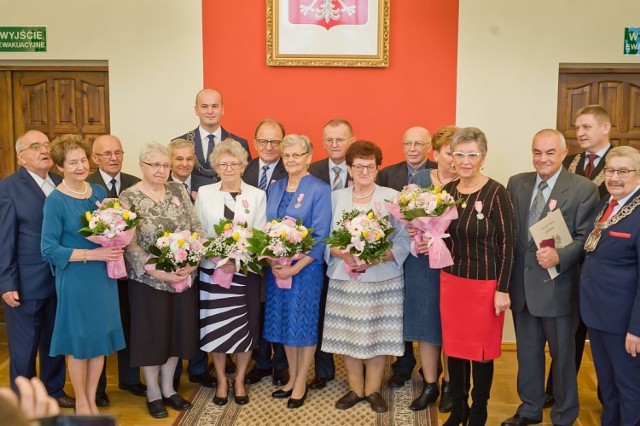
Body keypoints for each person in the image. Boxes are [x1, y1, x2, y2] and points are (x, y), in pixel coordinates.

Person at [502, 129, 598, 426]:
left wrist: (561, 255)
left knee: (564, 358)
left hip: (559, 288)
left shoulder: (583, 189)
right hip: (522, 288)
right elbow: (510, 235)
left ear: (563, 153)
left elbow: (587, 238)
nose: (542, 159)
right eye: (537, 152)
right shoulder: (517, 183)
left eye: (549, 152)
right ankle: (529, 408)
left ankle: (564, 414)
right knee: (527, 355)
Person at [322, 140, 410, 414]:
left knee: (377, 336)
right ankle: (355, 388)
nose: (363, 171)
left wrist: (375, 258)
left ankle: (373, 390)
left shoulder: (392, 196)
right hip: (345, 278)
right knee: (349, 336)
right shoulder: (337, 197)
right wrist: (342, 253)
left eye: (369, 166)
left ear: (377, 168)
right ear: (349, 168)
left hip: (382, 278)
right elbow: (326, 239)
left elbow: (404, 239)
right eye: (357, 166)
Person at [41, 134, 125, 415]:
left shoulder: (99, 192)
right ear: (60, 167)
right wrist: (93, 255)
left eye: (82, 160)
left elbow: (111, 230)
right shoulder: (55, 200)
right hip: (76, 279)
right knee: (79, 344)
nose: (80, 167)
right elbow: (49, 249)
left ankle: (91, 400)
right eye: (72, 162)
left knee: (98, 341)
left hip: (103, 278)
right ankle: (81, 404)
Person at [119, 143, 203, 419]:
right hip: (148, 282)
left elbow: (196, 229)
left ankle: (169, 388)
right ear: (141, 166)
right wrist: (157, 270)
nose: (161, 170)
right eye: (155, 165)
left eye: (165, 165)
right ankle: (153, 391)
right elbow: (128, 244)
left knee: (176, 334)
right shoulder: (129, 197)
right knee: (152, 337)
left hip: (182, 279)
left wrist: (192, 263)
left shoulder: (178, 190)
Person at [440, 127, 515, 426]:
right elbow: (443, 236)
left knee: (481, 353)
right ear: (452, 158)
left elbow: (509, 242)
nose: (466, 161)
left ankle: (479, 409)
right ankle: (459, 408)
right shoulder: (447, 192)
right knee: (455, 349)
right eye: (460, 154)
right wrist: (426, 240)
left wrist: (503, 288)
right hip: (452, 281)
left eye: (472, 154)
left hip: (486, 285)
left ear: (483, 157)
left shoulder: (497, 192)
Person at [0, 130, 74, 409]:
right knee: (25, 347)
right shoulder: (8, 188)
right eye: (35, 146)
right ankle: (23, 401)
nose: (44, 149)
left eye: (47, 145)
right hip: (26, 283)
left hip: (62, 278)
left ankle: (54, 390)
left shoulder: (61, 182)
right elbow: (4, 239)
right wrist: (7, 283)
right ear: (21, 157)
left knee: (56, 341)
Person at [545, 104, 613, 407]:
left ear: (605, 128)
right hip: (565, 260)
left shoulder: (622, 164)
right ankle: (557, 391)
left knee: (603, 334)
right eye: (577, 127)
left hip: (601, 263)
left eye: (586, 127)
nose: (579, 133)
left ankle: (609, 395)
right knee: (566, 332)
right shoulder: (568, 161)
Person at [194, 138, 267, 406]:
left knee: (245, 327)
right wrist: (216, 259)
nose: (228, 168)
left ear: (243, 165)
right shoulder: (205, 193)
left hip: (244, 271)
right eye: (223, 163)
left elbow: (259, 234)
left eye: (234, 163)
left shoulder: (257, 195)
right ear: (215, 166)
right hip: (212, 272)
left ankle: (239, 379)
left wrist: (236, 260)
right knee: (217, 327)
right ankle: (223, 378)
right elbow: (198, 232)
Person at [264, 134, 331, 409]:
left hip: (305, 271)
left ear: (308, 157)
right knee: (284, 325)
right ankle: (292, 377)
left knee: (302, 327)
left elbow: (321, 234)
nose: (291, 160)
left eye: (297, 155)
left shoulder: (319, 188)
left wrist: (295, 267)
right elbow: (264, 230)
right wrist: (274, 263)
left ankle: (302, 380)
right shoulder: (276, 186)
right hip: (277, 270)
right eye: (287, 155)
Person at [581, 146, 640, 426]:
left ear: (638, 175)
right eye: (610, 171)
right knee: (608, 387)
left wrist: (636, 329)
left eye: (623, 171)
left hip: (624, 323)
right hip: (597, 315)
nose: (615, 177)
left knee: (630, 389)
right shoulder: (606, 202)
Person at [376, 126, 437, 389]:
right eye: (407, 143)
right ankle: (402, 366)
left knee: (426, 311)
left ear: (429, 146)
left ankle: (431, 370)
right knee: (398, 309)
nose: (412, 149)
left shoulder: (438, 173)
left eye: (418, 144)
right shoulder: (389, 173)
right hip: (395, 253)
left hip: (426, 256)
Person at [87, 134, 145, 405]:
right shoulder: (86, 186)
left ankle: (130, 379)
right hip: (96, 271)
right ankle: (97, 388)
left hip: (129, 271)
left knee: (129, 322)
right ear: (95, 158)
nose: (113, 158)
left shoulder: (135, 185)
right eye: (107, 154)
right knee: (99, 326)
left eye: (118, 153)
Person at [405, 125, 459, 412]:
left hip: (455, 266)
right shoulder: (421, 179)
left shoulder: (467, 184)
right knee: (425, 323)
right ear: (435, 153)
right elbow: (407, 221)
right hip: (422, 265)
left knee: (451, 326)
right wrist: (418, 242)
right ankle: (430, 384)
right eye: (449, 153)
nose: (454, 160)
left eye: (459, 153)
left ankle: (451, 384)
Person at [307, 118, 355, 390]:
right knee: (320, 313)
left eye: (340, 139)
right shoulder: (311, 171)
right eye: (329, 139)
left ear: (351, 139)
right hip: (319, 255)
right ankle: (323, 370)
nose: (334, 144)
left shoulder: (362, 167)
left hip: (356, 259)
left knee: (353, 314)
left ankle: (358, 373)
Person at [167, 138, 219, 389]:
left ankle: (198, 368)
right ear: (169, 161)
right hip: (170, 265)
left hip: (202, 264)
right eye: (179, 158)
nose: (185, 163)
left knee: (199, 316)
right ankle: (173, 372)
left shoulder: (207, 186)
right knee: (175, 320)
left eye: (189, 158)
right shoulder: (161, 186)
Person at [242, 119, 289, 387]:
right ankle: (261, 362)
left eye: (275, 141)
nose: (269, 147)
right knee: (256, 309)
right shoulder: (243, 169)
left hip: (281, 253)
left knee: (278, 307)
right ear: (255, 141)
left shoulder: (291, 169)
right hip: (248, 254)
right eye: (263, 141)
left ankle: (280, 364)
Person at [174, 88, 251, 182]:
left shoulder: (240, 144)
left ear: (222, 109)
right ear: (196, 110)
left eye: (215, 106)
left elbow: (245, 180)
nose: (210, 111)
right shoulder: (179, 143)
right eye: (204, 106)